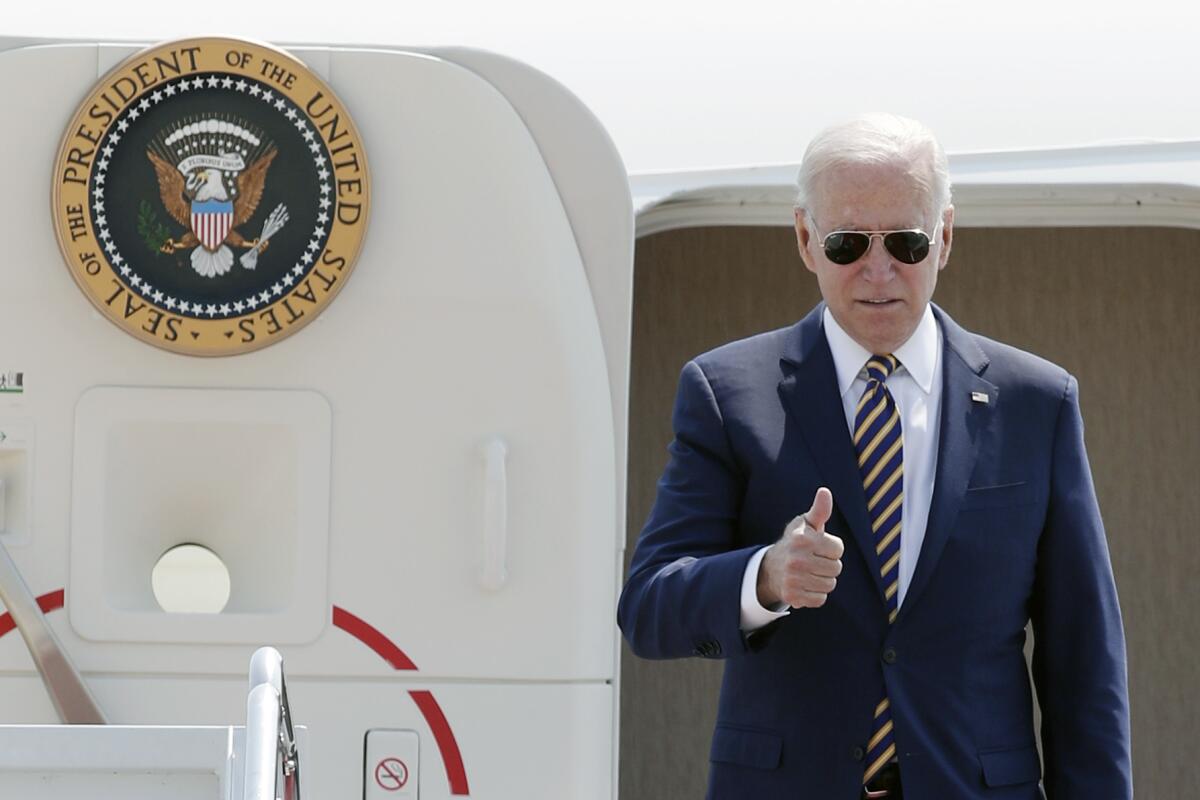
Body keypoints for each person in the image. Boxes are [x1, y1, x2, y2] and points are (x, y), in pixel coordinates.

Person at [617, 113, 1131, 799]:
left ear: (945, 237)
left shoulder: (1036, 403)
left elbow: (1083, 660)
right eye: (849, 242)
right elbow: (649, 607)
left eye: (908, 242)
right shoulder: (728, 393)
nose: (878, 270)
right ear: (806, 239)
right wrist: (764, 579)